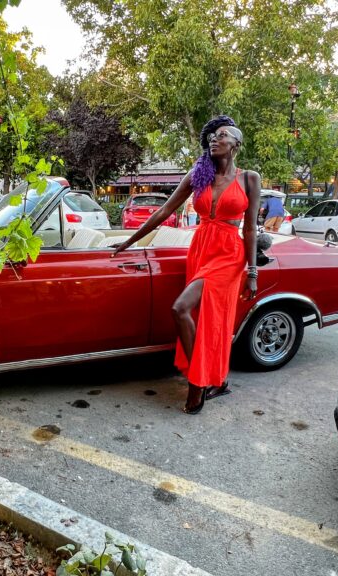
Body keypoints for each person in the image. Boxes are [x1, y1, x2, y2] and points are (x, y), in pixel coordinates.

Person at [113, 116, 260, 414]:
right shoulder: (199, 175)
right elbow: (165, 209)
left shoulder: (249, 178)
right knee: (206, 318)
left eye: (222, 136)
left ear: (236, 145)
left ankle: (198, 384)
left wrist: (252, 271)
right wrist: (130, 241)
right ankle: (215, 378)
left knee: (181, 308)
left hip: (230, 254)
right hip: (202, 247)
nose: (214, 140)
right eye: (212, 136)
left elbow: (250, 228)